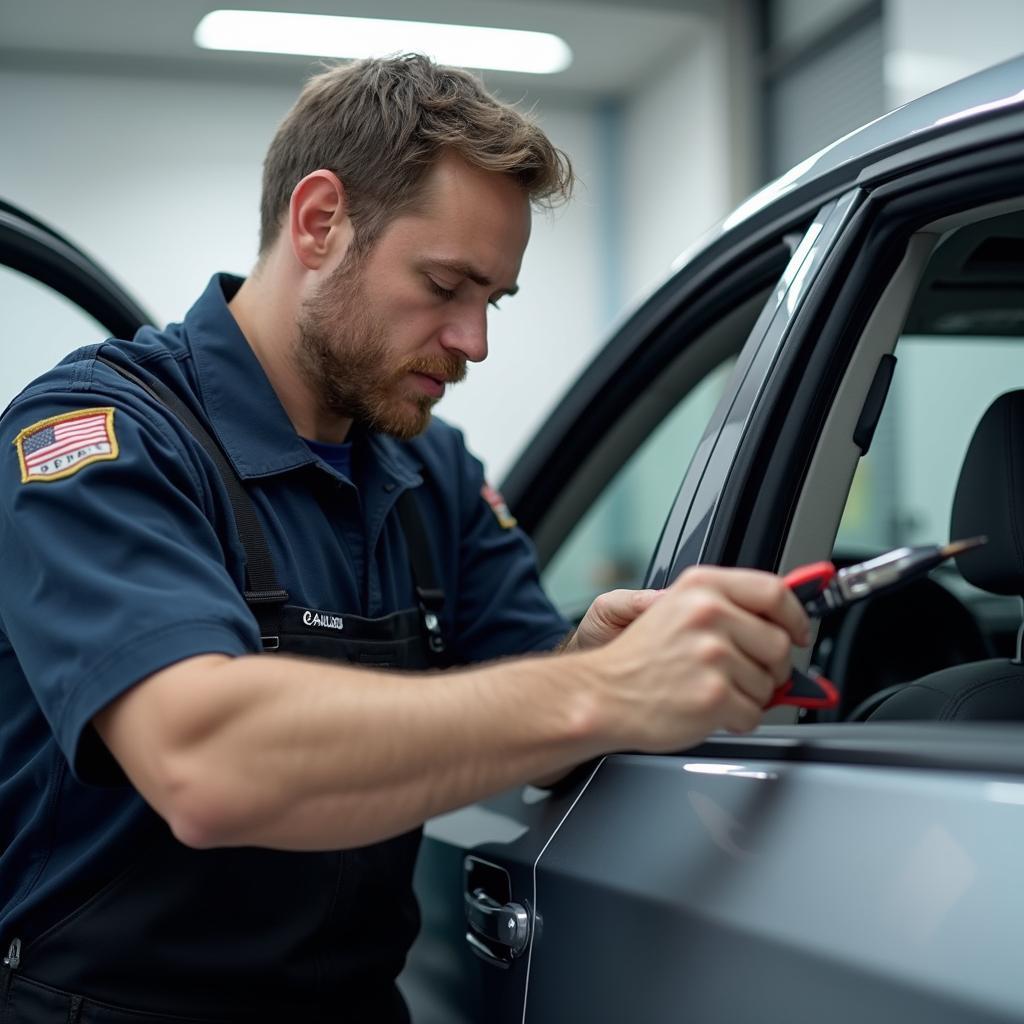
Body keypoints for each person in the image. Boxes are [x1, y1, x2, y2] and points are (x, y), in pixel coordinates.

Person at [0, 54, 809, 1023]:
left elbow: (534, 729)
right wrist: (598, 687)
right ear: (319, 222)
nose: (473, 341)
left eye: (492, 301)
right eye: (445, 285)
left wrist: (586, 653)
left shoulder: (431, 474)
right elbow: (202, 762)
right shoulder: (101, 437)